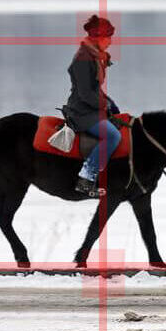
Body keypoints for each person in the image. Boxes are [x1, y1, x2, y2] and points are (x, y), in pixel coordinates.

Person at [62, 14, 120, 198]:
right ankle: (86, 178)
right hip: (81, 112)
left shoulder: (95, 56)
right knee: (112, 135)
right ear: (97, 37)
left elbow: (95, 90)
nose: (110, 41)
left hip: (91, 108)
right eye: (108, 37)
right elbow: (86, 93)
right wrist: (104, 105)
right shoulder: (83, 59)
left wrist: (110, 103)